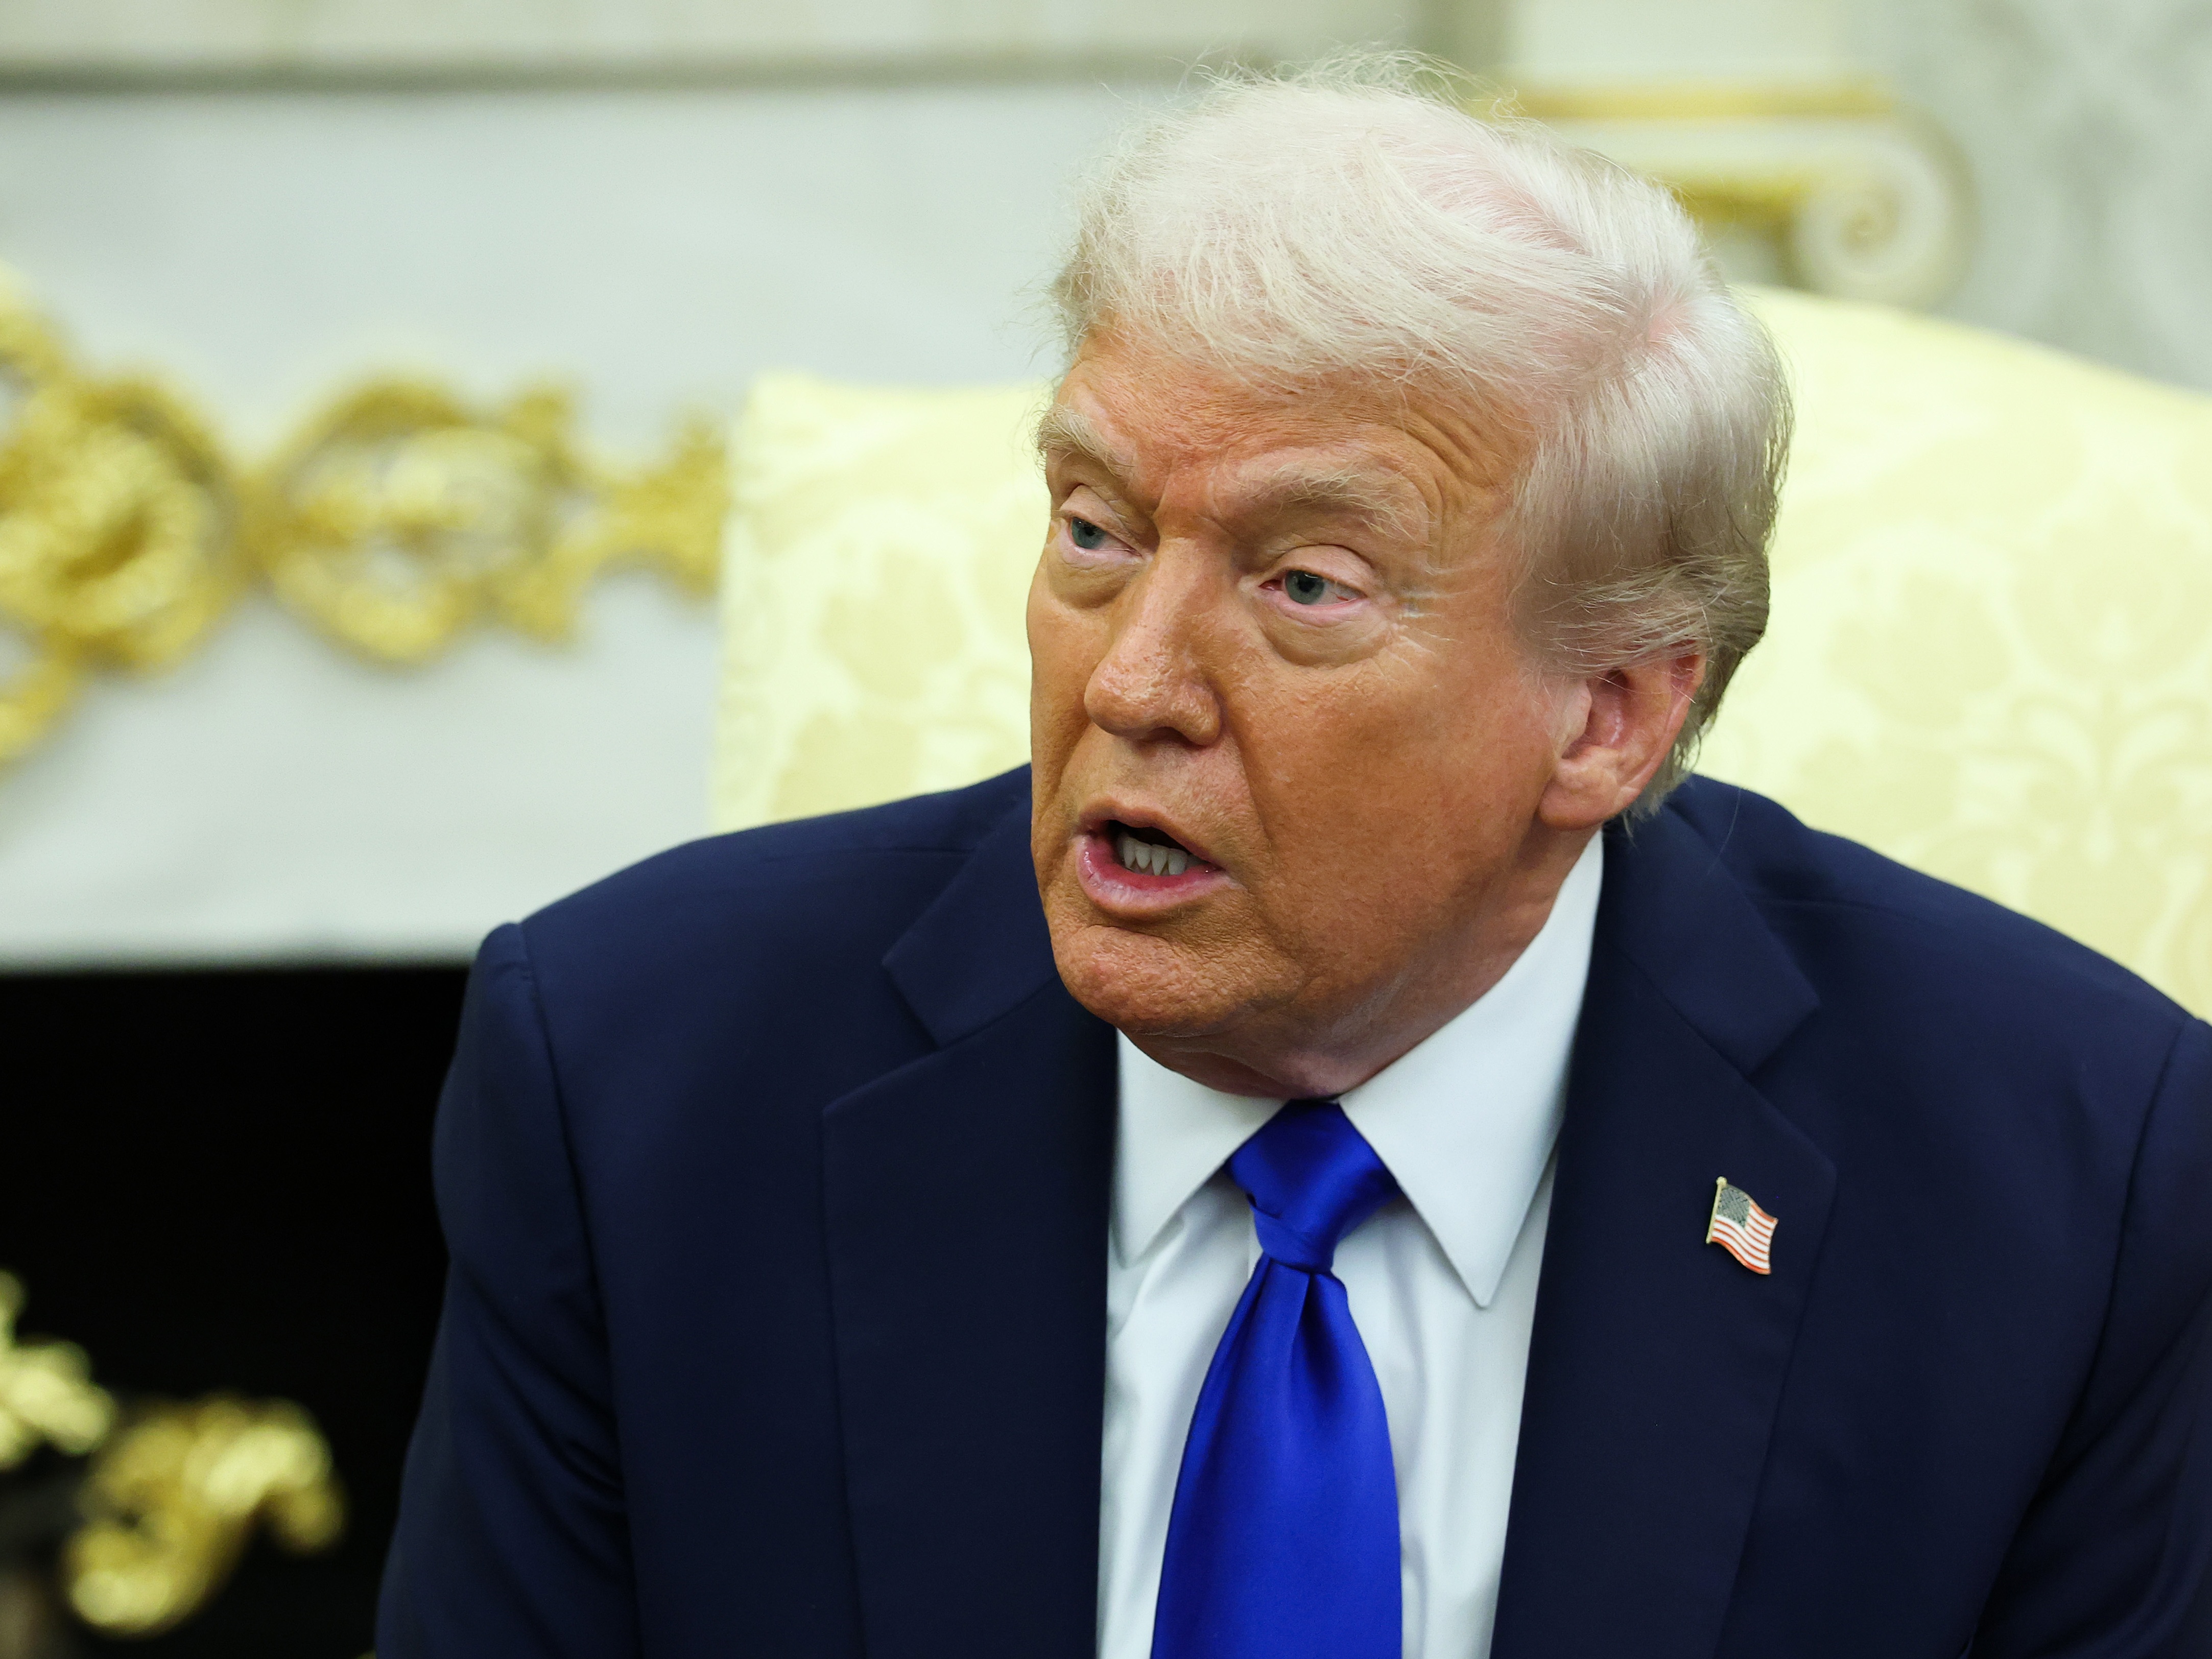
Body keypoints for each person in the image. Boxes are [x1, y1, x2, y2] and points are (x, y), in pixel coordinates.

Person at [376, 58, 2212, 1659]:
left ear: (1608, 719)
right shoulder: (634, 1084)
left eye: (1302, 584)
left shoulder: (2063, 1179)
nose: (1134, 678)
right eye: (1092, 530)